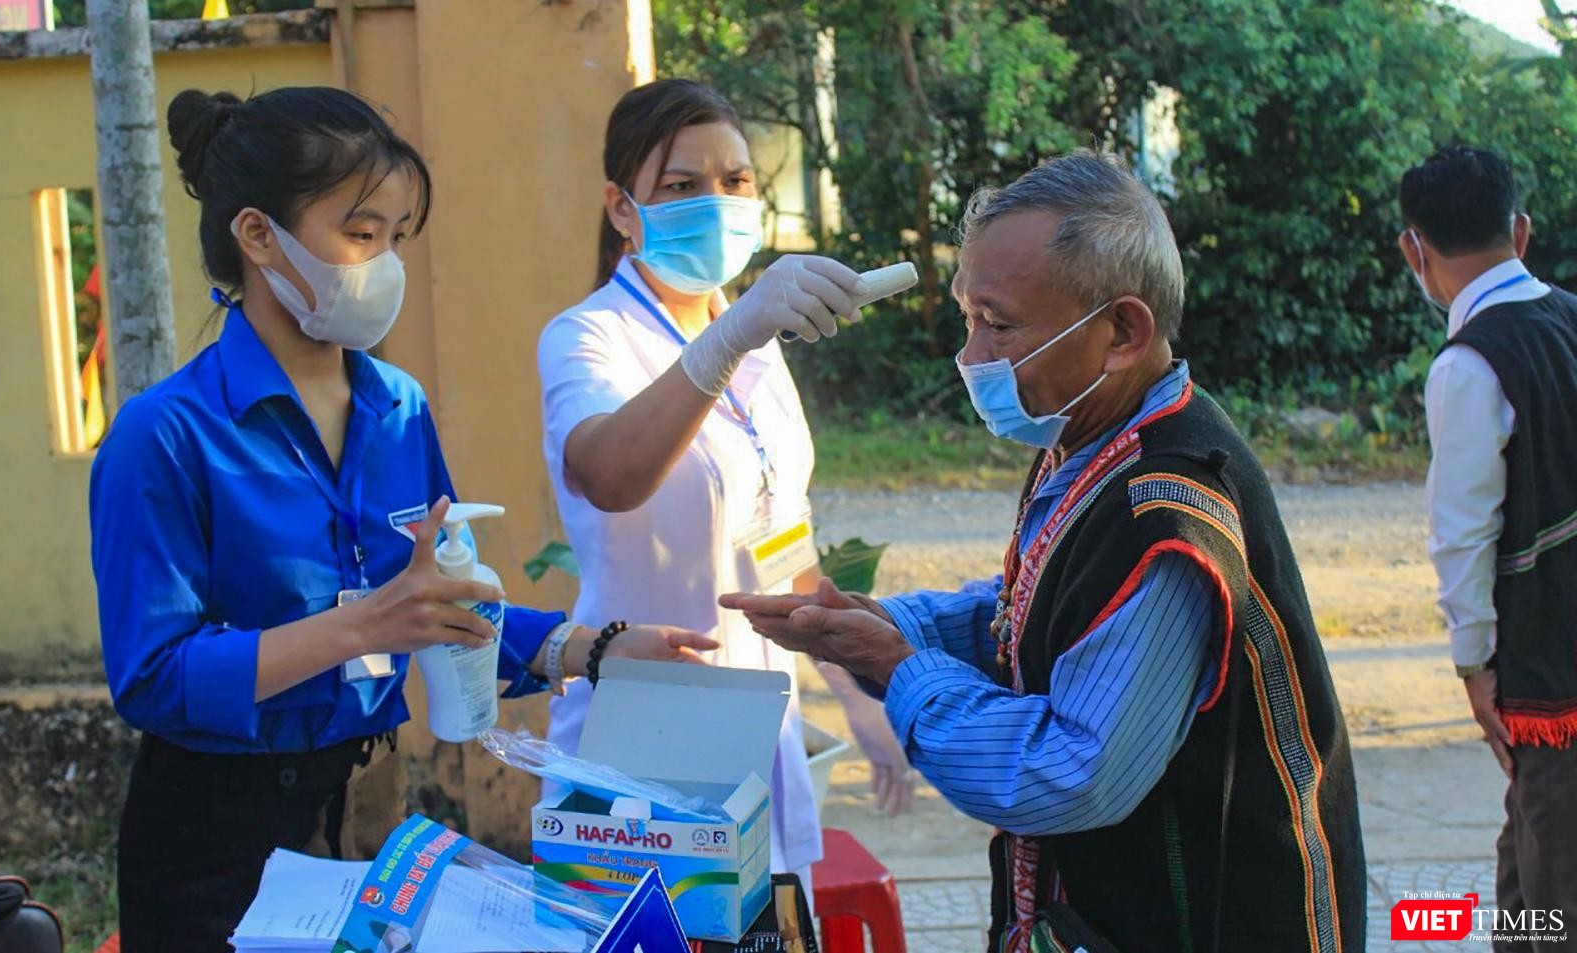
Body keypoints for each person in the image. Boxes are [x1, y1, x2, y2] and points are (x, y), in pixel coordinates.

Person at [90, 86, 715, 952]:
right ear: (258, 235)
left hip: (375, 805)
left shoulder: (397, 408)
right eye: (359, 232)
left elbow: (439, 601)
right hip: (217, 840)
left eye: (396, 237)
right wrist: (359, 626)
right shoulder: (165, 434)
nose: (384, 263)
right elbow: (153, 675)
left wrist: (591, 649)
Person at [724, 152, 1367, 952]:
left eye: (998, 323)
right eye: (968, 317)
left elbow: (1070, 773)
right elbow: (1033, 609)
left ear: (1122, 331)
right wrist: (889, 622)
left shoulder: (1167, 508)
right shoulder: (1089, 436)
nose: (973, 354)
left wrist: (899, 667)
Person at [535, 79, 915, 892]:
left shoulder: (761, 342)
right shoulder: (587, 338)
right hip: (643, 733)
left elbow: (781, 535)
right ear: (620, 207)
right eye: (681, 185)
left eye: (736, 181)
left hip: (755, 729)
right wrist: (730, 335)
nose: (717, 202)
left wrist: (854, 691)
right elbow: (609, 474)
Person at [1399, 145, 1577, 948]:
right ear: (1522, 230)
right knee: (1530, 867)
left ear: (1416, 249)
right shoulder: (1569, 317)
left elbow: (1462, 533)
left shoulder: (1469, 362)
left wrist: (1473, 666)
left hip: (1551, 676)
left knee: (1553, 890)